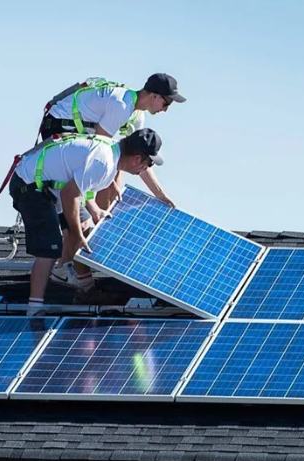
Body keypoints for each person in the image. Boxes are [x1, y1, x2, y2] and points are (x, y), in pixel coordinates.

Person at [10, 129, 164, 315]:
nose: (145, 169)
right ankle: (34, 308)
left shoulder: (111, 156)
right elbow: (70, 194)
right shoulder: (104, 162)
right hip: (30, 184)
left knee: (84, 226)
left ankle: (71, 277)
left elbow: (82, 185)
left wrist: (95, 211)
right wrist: (76, 233)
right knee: (49, 249)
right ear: (137, 159)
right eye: (148, 164)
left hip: (50, 185)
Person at [40, 73, 185, 208]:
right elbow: (100, 148)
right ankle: (88, 215)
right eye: (167, 103)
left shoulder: (137, 116)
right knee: (104, 170)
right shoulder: (121, 105)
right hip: (57, 125)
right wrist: (111, 184)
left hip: (80, 135)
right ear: (155, 96)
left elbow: (139, 155)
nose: (165, 110)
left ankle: (100, 220)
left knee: (119, 162)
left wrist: (161, 195)